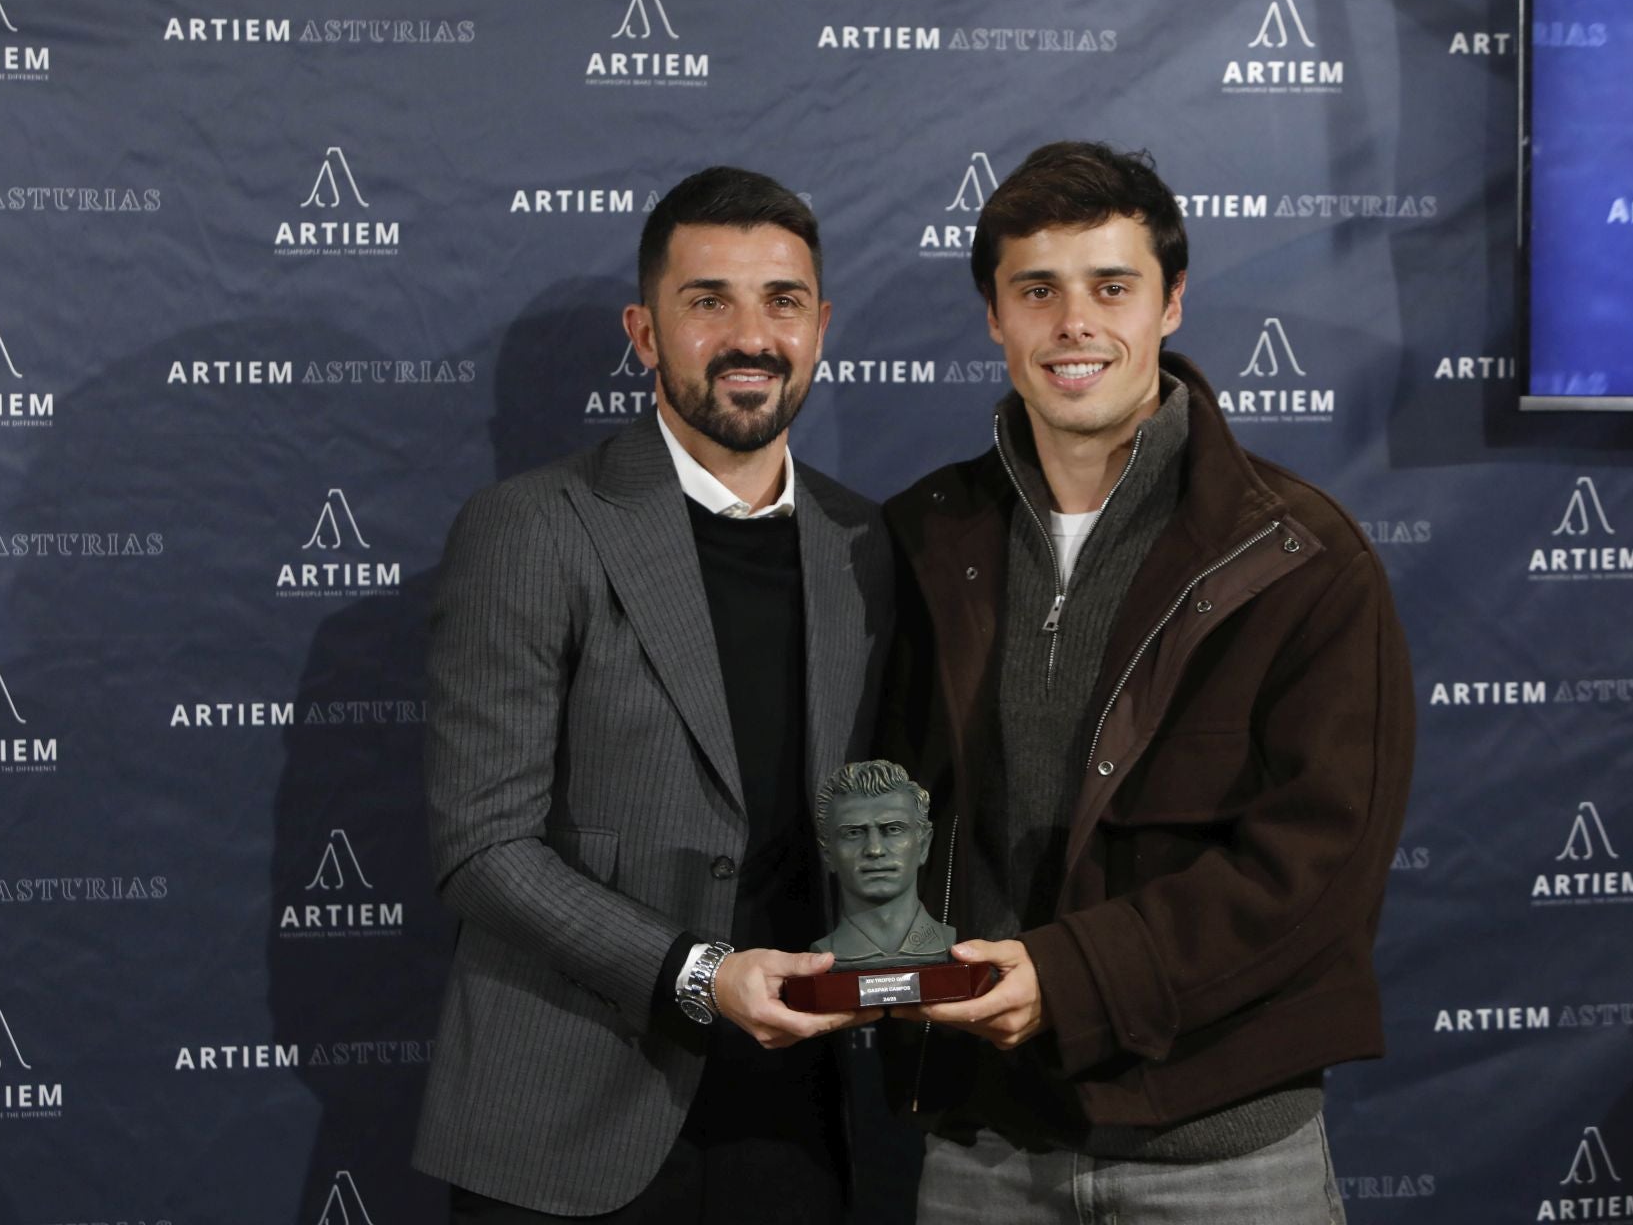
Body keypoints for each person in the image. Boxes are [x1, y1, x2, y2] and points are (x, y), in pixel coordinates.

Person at [879, 141, 1415, 1222]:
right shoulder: (922, 535)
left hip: (1223, 1151)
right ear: (995, 316)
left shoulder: (1301, 556)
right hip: (985, 1145)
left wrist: (1071, 979)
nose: (1074, 322)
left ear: (1171, 303)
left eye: (1111, 286)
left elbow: (1318, 868)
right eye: (1037, 289)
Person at [413, 167, 894, 1221]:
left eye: (783, 301)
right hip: (567, 1120)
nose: (751, 335)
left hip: (800, 1124)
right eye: (707, 300)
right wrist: (695, 974)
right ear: (644, 330)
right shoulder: (534, 527)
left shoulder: (867, 544)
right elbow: (482, 845)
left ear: (820, 326)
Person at [808, 760, 955, 966]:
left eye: (893, 829)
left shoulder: (948, 944)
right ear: (828, 853)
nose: (874, 850)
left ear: (923, 845)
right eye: (853, 833)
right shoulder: (828, 953)